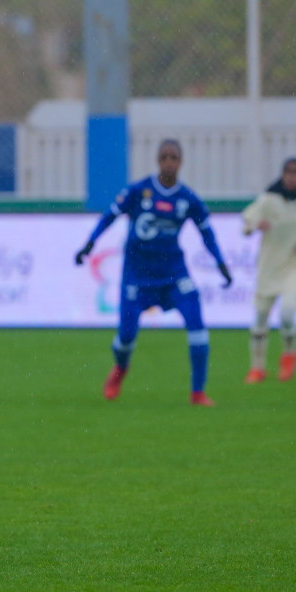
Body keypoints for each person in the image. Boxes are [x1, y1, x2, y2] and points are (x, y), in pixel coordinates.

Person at [74, 139, 232, 405]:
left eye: (174, 157)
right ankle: (120, 369)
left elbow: (207, 233)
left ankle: (198, 392)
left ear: (180, 162)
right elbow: (109, 216)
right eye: (164, 157)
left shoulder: (188, 198)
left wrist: (221, 263)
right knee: (126, 338)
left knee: (197, 325)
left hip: (174, 272)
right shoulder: (139, 191)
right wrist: (90, 243)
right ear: (158, 161)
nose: (169, 162)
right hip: (137, 273)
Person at [241, 158, 296, 383]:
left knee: (288, 313)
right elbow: (247, 223)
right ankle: (257, 368)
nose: (291, 178)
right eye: (288, 173)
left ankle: (289, 355)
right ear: (282, 175)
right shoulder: (269, 199)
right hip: (270, 265)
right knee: (260, 317)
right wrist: (254, 226)